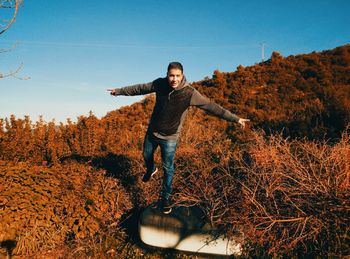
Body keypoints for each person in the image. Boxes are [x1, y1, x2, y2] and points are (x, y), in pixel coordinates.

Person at [107, 62, 249, 214]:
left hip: (170, 137)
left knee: (168, 168)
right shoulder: (159, 84)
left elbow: (212, 107)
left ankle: (166, 198)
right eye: (171, 76)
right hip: (152, 132)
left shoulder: (190, 93)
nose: (174, 79)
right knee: (146, 155)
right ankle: (152, 169)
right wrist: (119, 91)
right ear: (167, 75)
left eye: (177, 76)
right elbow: (140, 88)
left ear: (182, 76)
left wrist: (235, 119)